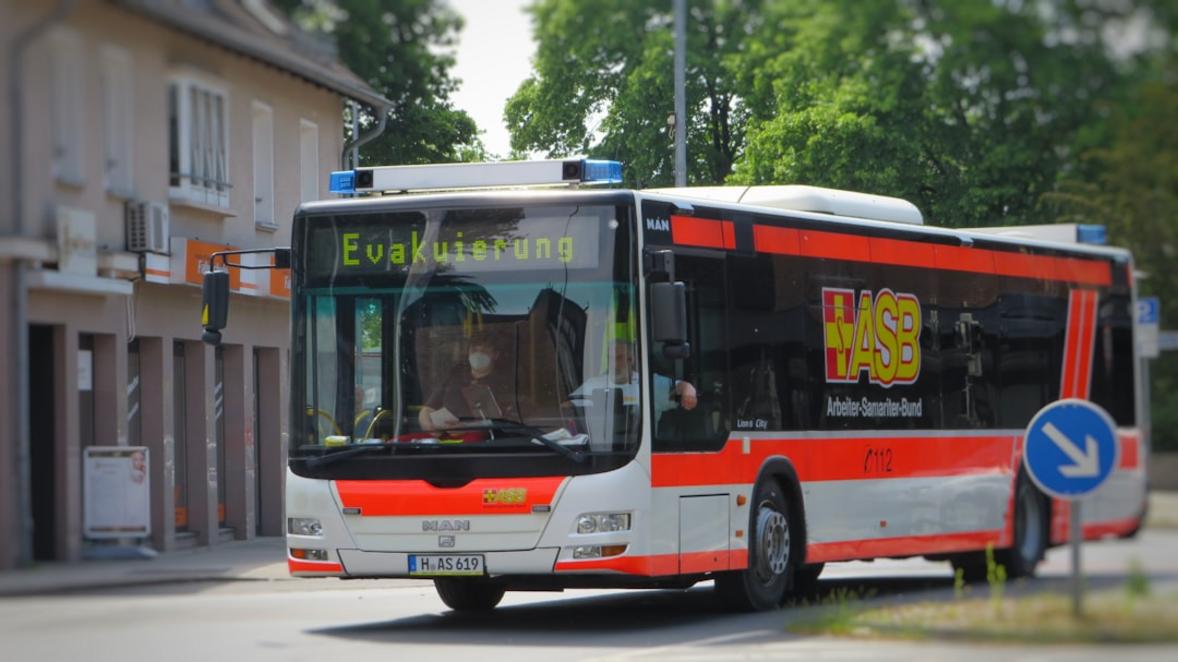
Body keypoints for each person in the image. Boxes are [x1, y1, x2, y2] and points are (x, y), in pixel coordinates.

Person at [569, 340, 697, 421]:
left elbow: (679, 386)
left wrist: (688, 390)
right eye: (611, 358)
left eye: (619, 358)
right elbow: (567, 406)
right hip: (596, 447)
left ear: (631, 360)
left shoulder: (648, 385)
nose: (613, 363)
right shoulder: (593, 384)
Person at [418, 333, 517, 432]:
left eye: (485, 350)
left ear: (496, 355)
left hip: (484, 442)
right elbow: (428, 408)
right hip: (447, 439)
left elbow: (508, 421)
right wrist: (427, 425)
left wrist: (465, 426)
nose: (478, 354)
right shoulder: (454, 376)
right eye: (474, 350)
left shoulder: (505, 384)